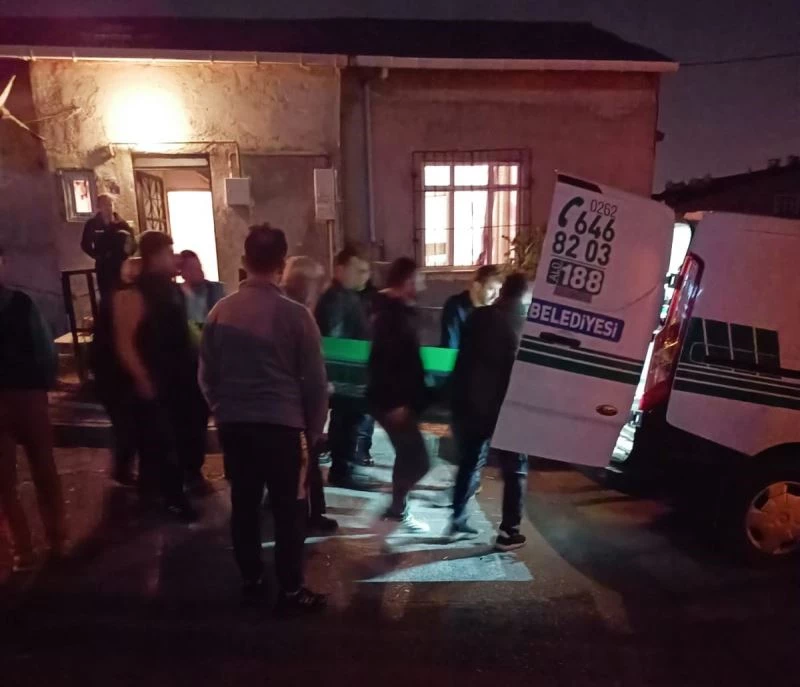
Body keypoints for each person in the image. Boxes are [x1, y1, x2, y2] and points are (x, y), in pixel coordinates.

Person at [199, 225, 328, 613]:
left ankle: (252, 579)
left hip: (236, 427)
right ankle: (290, 589)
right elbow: (315, 383)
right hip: (283, 428)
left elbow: (206, 376)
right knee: (290, 510)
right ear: (281, 264)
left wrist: (222, 411)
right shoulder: (297, 316)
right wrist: (313, 431)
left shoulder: (220, 312)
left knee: (245, 504)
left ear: (244, 261)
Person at [113, 231, 197, 521]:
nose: (174, 258)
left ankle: (158, 494)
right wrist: (142, 378)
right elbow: (125, 342)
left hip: (176, 377)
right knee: (161, 441)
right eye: (168, 252)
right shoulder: (135, 293)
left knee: (172, 438)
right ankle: (172, 499)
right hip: (156, 377)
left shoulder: (169, 289)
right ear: (155, 255)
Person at [448, 272, 530, 551]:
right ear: (525, 295)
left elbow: (463, 360)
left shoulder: (479, 316)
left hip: (474, 404)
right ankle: (509, 532)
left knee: (471, 460)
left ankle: (458, 517)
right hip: (509, 407)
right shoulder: (527, 324)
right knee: (516, 469)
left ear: (504, 290)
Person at [0, 247, 66, 570]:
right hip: (28, 394)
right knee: (41, 469)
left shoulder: (22, 303)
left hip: (22, 395)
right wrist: (46, 382)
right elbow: (44, 348)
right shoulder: (21, 303)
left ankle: (25, 549)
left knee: (9, 480)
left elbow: (44, 348)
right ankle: (54, 540)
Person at [367, 257, 432, 533]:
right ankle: (397, 509)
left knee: (408, 456)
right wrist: (395, 403)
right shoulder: (390, 316)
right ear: (407, 281)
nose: (423, 285)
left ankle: (397, 508)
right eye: (419, 279)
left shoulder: (396, 311)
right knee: (418, 460)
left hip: (397, 401)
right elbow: (384, 362)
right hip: (393, 402)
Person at [281, 255, 338, 534]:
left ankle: (307, 514)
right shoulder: (299, 315)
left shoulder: (280, 308)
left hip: (276, 407)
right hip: (295, 406)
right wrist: (319, 410)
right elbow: (311, 372)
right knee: (305, 466)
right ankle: (307, 519)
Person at [314, 245, 373, 489]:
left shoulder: (346, 296)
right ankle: (342, 471)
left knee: (347, 423)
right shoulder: (337, 299)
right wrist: (339, 377)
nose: (364, 276)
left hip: (349, 376)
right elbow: (334, 341)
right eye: (358, 270)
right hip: (346, 377)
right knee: (346, 423)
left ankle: (344, 468)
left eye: (366, 271)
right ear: (340, 269)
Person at [91, 242, 140, 487]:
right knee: (125, 423)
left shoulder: (113, 299)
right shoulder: (123, 300)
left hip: (110, 373)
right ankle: (122, 469)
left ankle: (122, 468)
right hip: (115, 374)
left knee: (124, 422)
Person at [80, 194, 134, 298]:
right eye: (104, 205)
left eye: (110, 204)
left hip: (120, 265)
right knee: (106, 295)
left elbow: (132, 242)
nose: (108, 208)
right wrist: (97, 256)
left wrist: (127, 255)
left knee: (122, 293)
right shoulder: (93, 224)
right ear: (99, 207)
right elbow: (85, 244)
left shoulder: (122, 224)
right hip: (103, 266)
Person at [440, 265, 502, 349]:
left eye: (499, 289)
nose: (496, 295)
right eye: (491, 289)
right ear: (477, 286)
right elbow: (451, 345)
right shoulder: (455, 307)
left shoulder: (494, 310)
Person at [178, 250, 225, 329]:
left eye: (199, 266)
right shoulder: (177, 295)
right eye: (192, 268)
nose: (199, 271)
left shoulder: (217, 289)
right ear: (182, 273)